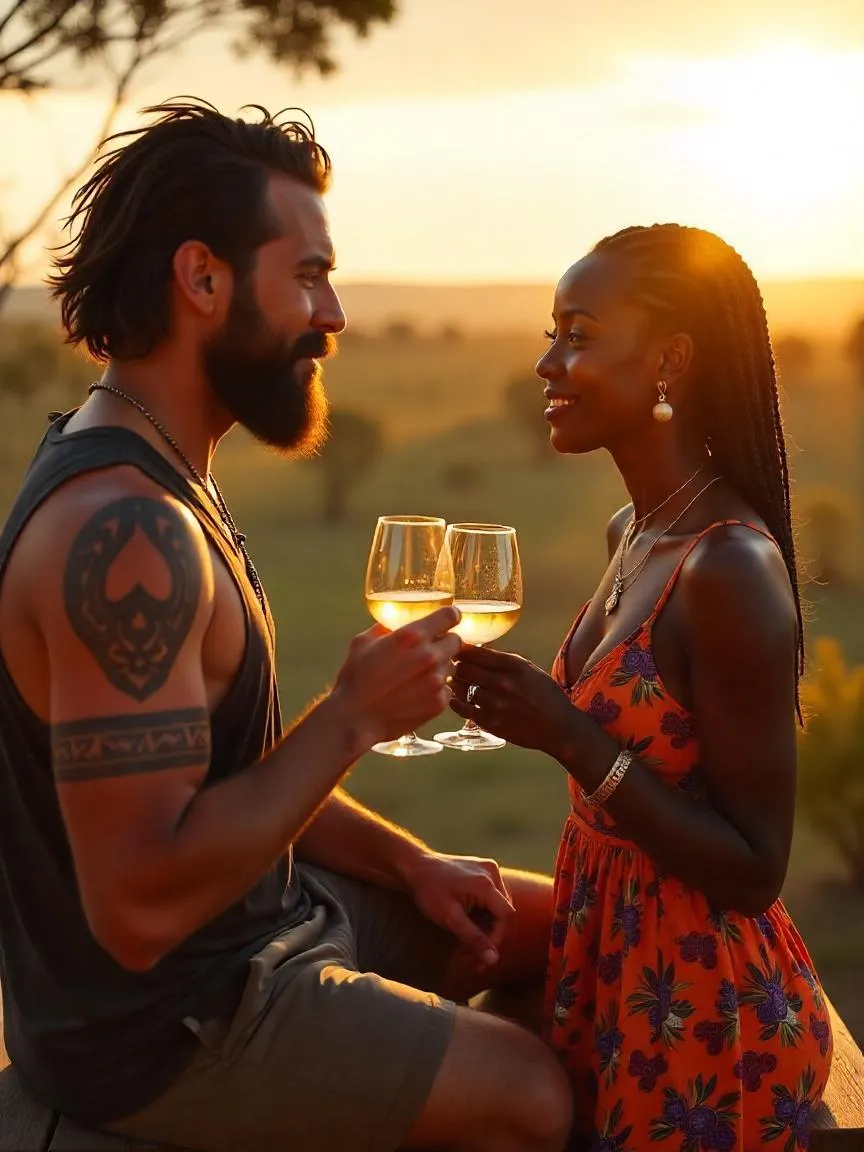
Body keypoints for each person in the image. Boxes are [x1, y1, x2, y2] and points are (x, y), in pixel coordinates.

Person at [0, 98, 572, 1152]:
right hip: (166, 1025)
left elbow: (223, 775)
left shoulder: (164, 475)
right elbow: (136, 908)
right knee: (530, 1095)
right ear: (202, 279)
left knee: (562, 935)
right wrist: (350, 719)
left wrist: (411, 868)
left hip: (269, 921)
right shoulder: (126, 533)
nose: (337, 313)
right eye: (307, 275)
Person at [449, 224, 834, 1150]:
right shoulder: (635, 527)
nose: (547, 362)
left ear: (669, 360)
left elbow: (754, 869)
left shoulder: (728, 569)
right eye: (552, 331)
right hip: (607, 971)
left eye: (577, 334)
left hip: (703, 1019)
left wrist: (571, 737)